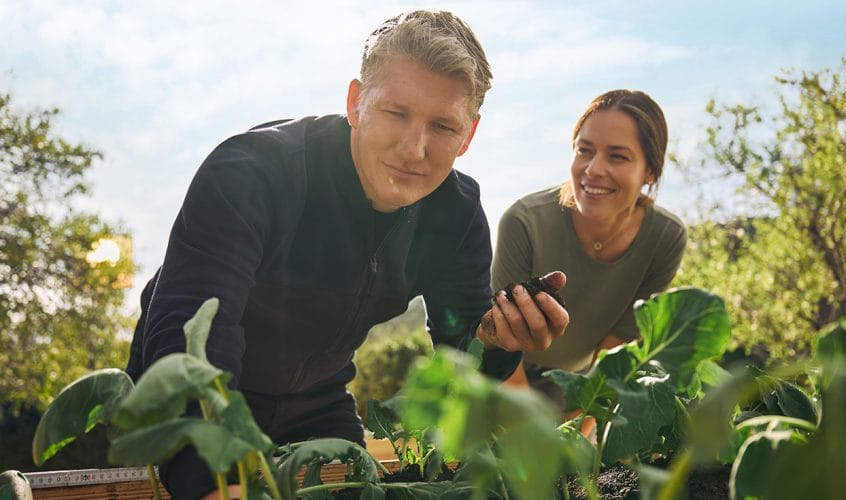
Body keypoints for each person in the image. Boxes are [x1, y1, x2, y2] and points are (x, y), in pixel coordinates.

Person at [126, 10, 569, 499]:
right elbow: (191, 336)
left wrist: (497, 340)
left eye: (443, 126)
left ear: (469, 135)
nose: (414, 148)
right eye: (396, 113)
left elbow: (461, 357)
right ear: (356, 101)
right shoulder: (249, 173)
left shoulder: (457, 214)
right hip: (197, 398)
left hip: (316, 403)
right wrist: (211, 477)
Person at [492, 89, 687, 412]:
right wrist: (529, 434)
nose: (594, 169)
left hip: (570, 382)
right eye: (585, 150)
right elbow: (499, 344)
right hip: (499, 373)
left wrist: (581, 431)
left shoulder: (665, 238)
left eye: (617, 156)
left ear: (650, 170)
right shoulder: (524, 221)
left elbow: (613, 357)